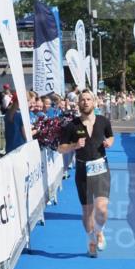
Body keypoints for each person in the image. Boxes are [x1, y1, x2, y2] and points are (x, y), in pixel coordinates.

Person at [57, 90, 114, 257]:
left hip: (101, 168)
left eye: (89, 99)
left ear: (94, 102)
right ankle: (91, 240)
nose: (86, 102)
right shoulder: (72, 125)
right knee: (88, 211)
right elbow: (61, 148)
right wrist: (74, 145)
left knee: (102, 209)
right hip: (82, 170)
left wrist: (108, 142)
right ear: (78, 103)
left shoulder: (103, 121)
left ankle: (99, 231)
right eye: (82, 100)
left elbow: (111, 136)